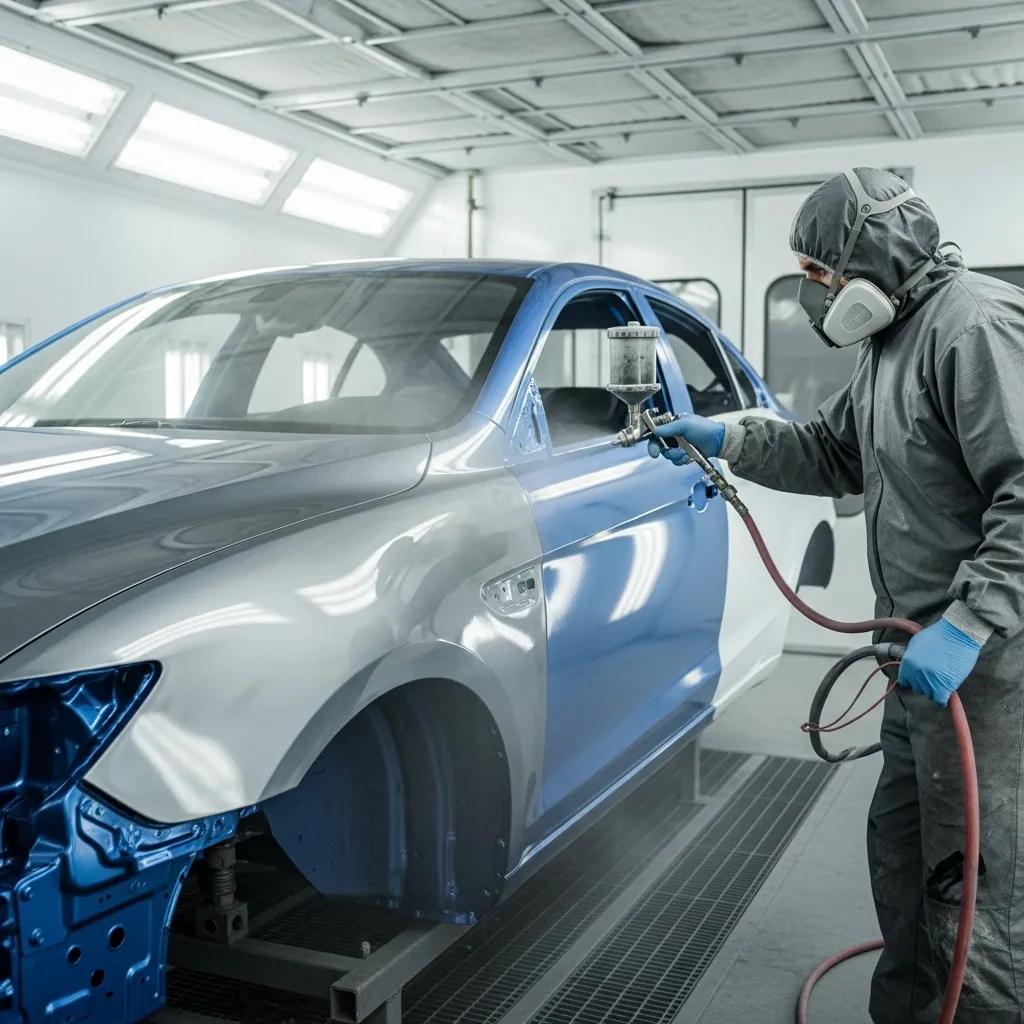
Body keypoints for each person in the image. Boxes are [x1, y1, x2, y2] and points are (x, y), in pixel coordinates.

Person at [649, 167, 1024, 1024]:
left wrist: (968, 623)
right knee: (903, 860)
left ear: (874, 260)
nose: (815, 297)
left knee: (976, 891)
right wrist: (730, 438)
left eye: (820, 276)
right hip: (915, 669)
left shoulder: (975, 327)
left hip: (988, 679)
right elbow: (833, 454)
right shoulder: (889, 345)